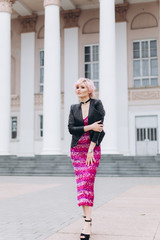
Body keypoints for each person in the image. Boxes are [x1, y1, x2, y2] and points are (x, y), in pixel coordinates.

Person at [68, 78, 105, 240]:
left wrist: (91, 149)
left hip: (92, 149)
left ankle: (87, 222)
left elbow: (100, 128)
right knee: (81, 185)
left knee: (87, 182)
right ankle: (87, 222)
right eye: (77, 87)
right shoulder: (73, 108)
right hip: (76, 150)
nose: (79, 89)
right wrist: (89, 127)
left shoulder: (97, 104)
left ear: (89, 89)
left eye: (82, 87)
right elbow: (71, 129)